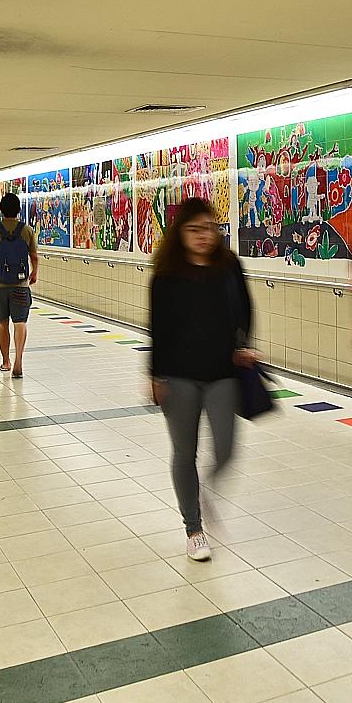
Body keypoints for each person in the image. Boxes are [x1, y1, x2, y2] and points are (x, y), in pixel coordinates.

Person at [149, 198, 256, 562]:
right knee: (184, 452)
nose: (203, 236)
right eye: (194, 229)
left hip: (222, 372)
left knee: (226, 449)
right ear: (180, 233)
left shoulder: (229, 266)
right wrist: (155, 375)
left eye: (208, 228)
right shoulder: (166, 274)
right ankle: (193, 528)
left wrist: (243, 344)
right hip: (178, 376)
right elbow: (158, 328)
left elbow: (245, 310)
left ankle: (203, 491)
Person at [0, 192, 38, 377]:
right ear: (19, 210)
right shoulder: (27, 230)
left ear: (1, 209)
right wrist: (34, 272)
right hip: (21, 284)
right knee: (20, 322)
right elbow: (34, 256)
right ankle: (19, 357)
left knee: (2, 322)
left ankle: (6, 361)